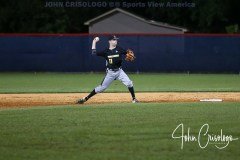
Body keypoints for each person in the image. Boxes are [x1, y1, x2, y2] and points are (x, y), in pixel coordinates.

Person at [76, 35, 139, 104]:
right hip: (110, 73)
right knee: (101, 88)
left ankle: (134, 99)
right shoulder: (106, 51)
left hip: (119, 71)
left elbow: (127, 53)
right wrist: (94, 42)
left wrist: (129, 55)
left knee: (129, 83)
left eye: (116, 39)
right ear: (110, 41)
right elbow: (93, 53)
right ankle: (85, 98)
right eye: (114, 40)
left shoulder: (119, 49)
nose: (116, 41)